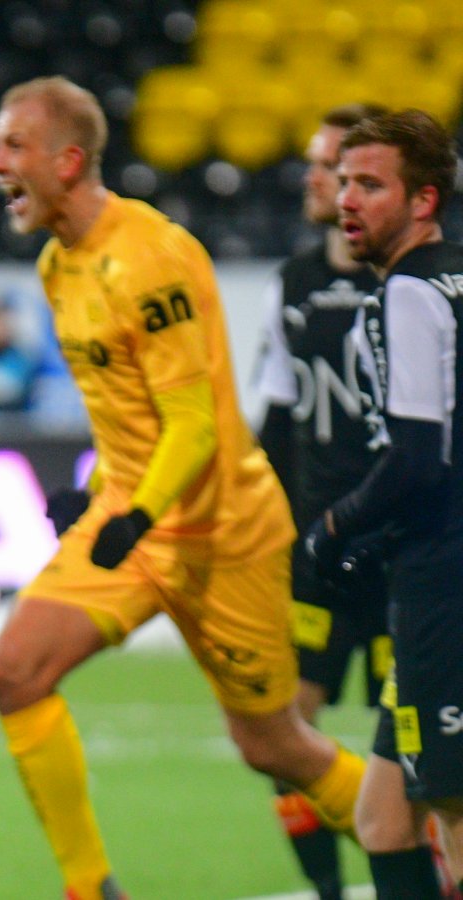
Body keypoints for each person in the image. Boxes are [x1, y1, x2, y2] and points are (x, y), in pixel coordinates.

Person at [0, 76, 367, 899]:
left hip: (223, 534)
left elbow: (193, 424)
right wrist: (102, 497)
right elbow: (128, 411)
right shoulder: (59, 266)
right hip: (134, 522)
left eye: (13, 146)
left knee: (274, 746)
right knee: (14, 672)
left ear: (70, 159)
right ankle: (91, 887)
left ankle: (432, 836)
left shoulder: (150, 256)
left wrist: (141, 510)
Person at [305, 108, 463, 898]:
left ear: (424, 200)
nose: (347, 199)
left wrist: (335, 528)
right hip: (432, 574)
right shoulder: (457, 278)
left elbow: (414, 459)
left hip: (446, 586)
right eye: (344, 181)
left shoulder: (405, 292)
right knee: (385, 819)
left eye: (371, 184)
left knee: (455, 824)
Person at [255, 102, 389, 900]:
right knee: (278, 732)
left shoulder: (416, 282)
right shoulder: (295, 282)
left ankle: (410, 867)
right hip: (315, 553)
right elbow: (276, 420)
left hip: (400, 552)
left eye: (327, 165)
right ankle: (332, 891)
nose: (313, 178)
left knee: (411, 739)